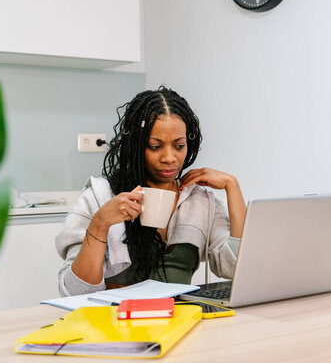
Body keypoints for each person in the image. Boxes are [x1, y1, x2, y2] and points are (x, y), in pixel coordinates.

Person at [55, 87, 246, 296]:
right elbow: (74, 292)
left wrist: (232, 187)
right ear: (135, 146)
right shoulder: (99, 196)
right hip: (113, 321)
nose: (169, 158)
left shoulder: (199, 201)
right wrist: (100, 224)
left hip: (178, 320)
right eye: (155, 146)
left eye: (179, 145)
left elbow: (236, 267)